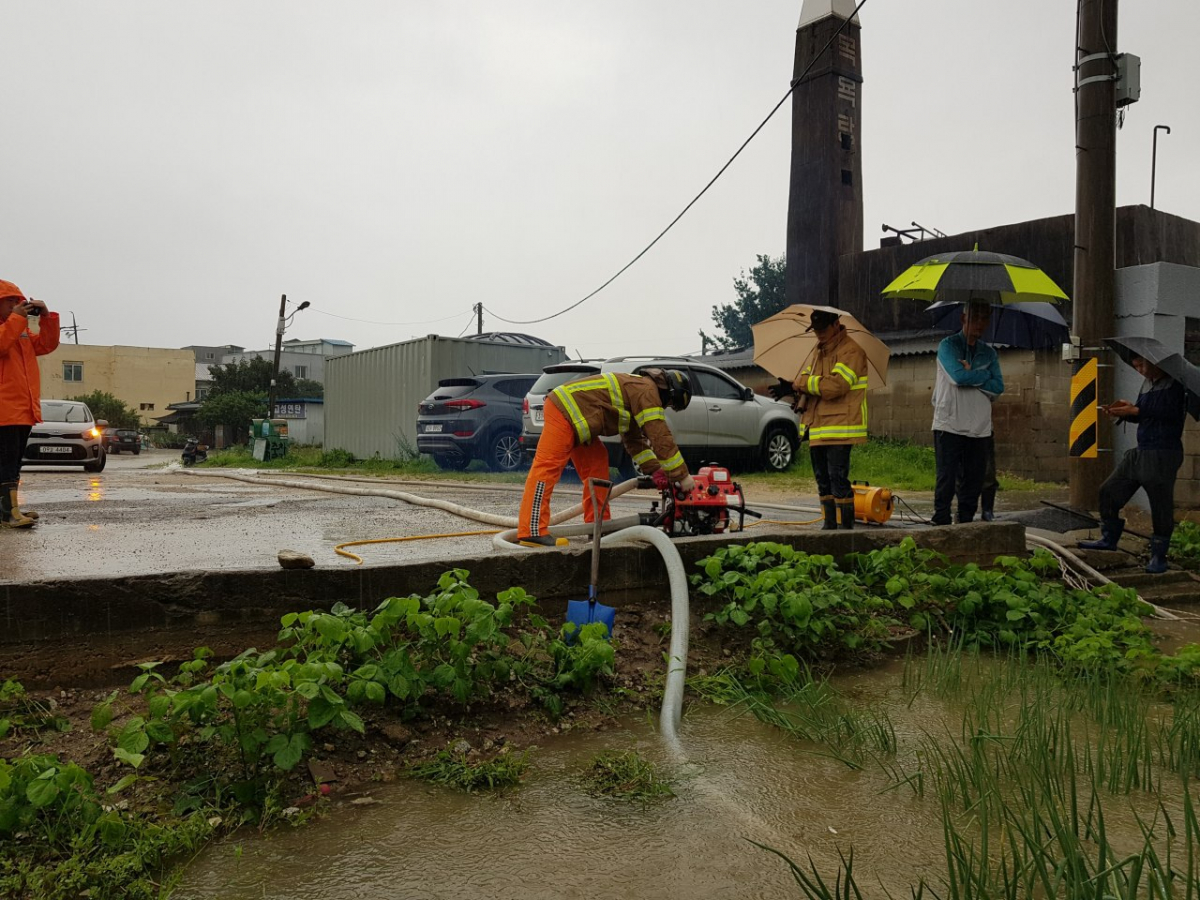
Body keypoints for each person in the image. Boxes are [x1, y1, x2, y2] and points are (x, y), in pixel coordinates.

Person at [516, 368, 695, 547]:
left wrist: (656, 470)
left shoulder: (638, 391)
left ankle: (599, 528)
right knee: (547, 467)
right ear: (669, 392)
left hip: (577, 418)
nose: (665, 407)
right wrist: (682, 476)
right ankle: (532, 531)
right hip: (563, 411)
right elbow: (660, 436)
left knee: (597, 468)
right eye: (670, 403)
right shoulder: (647, 390)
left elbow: (635, 441)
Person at [1078, 354, 1187, 574]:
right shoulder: (1148, 384)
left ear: (1154, 363)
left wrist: (1137, 410)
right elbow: (1143, 415)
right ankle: (1109, 538)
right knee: (1109, 491)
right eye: (1135, 366)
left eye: (1142, 365)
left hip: (1163, 452)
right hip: (1140, 451)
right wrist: (1126, 411)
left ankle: (1159, 555)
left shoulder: (1176, 385)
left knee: (1160, 503)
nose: (1139, 370)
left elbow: (1172, 415)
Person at [773, 309, 869, 530]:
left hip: (840, 427)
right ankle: (828, 527)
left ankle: (845, 533)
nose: (819, 334)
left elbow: (835, 386)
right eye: (815, 330)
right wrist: (792, 386)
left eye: (823, 329)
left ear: (836, 324)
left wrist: (802, 384)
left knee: (838, 479)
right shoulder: (819, 352)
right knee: (822, 480)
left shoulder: (851, 351)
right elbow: (807, 380)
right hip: (818, 426)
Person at [931, 301, 1004, 526]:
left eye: (984, 319)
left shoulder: (988, 353)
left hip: (979, 426)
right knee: (947, 476)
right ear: (963, 319)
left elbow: (998, 387)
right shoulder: (948, 346)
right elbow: (957, 378)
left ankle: (966, 520)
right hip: (950, 422)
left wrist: (972, 374)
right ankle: (941, 518)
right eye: (975, 318)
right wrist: (982, 377)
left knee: (974, 478)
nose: (980, 324)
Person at [0, 280, 59, 528]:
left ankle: (11, 509)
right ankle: (8, 513)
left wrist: (47, 317)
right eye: (10, 301)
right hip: (4, 411)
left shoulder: (20, 330)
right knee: (5, 464)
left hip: (23, 410)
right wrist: (16, 319)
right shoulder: (12, 328)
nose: (17, 305)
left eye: (19, 301)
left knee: (13, 464)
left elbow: (46, 345)